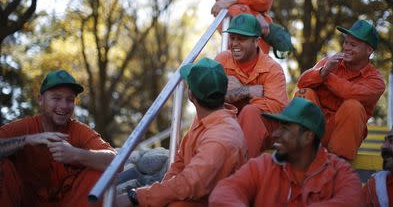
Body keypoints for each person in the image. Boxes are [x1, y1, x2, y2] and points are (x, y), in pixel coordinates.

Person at [115, 57, 247, 207]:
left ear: (191, 95)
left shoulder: (220, 138)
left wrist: (137, 196)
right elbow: (179, 162)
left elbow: (190, 183)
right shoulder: (205, 118)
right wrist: (159, 194)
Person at [209, 97, 364, 206]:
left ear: (307, 137)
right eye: (278, 127)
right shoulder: (262, 165)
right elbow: (224, 192)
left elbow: (353, 200)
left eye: (285, 128)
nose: (276, 134)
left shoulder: (340, 171)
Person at [0, 69, 116, 207]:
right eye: (56, 98)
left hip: (69, 203)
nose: (64, 106)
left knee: (99, 171)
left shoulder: (79, 130)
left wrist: (75, 154)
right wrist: (27, 140)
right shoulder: (23, 127)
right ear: (40, 100)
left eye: (70, 100)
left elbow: (116, 161)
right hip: (24, 201)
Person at [295, 19, 386, 160]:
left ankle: (337, 166)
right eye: (346, 43)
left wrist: (326, 75)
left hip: (344, 137)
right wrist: (323, 71)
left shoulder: (376, 81)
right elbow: (301, 83)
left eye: (353, 44)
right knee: (304, 93)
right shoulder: (330, 63)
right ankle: (301, 152)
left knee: (353, 106)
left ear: (369, 50)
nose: (347, 48)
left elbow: (349, 92)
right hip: (316, 130)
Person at [215, 13, 288, 158]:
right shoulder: (223, 59)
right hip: (232, 126)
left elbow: (277, 109)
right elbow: (205, 93)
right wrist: (246, 91)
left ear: (256, 42)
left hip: (265, 132)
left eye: (241, 38)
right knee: (212, 110)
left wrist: (241, 93)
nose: (234, 43)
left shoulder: (273, 68)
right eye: (232, 37)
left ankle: (240, 173)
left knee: (250, 112)